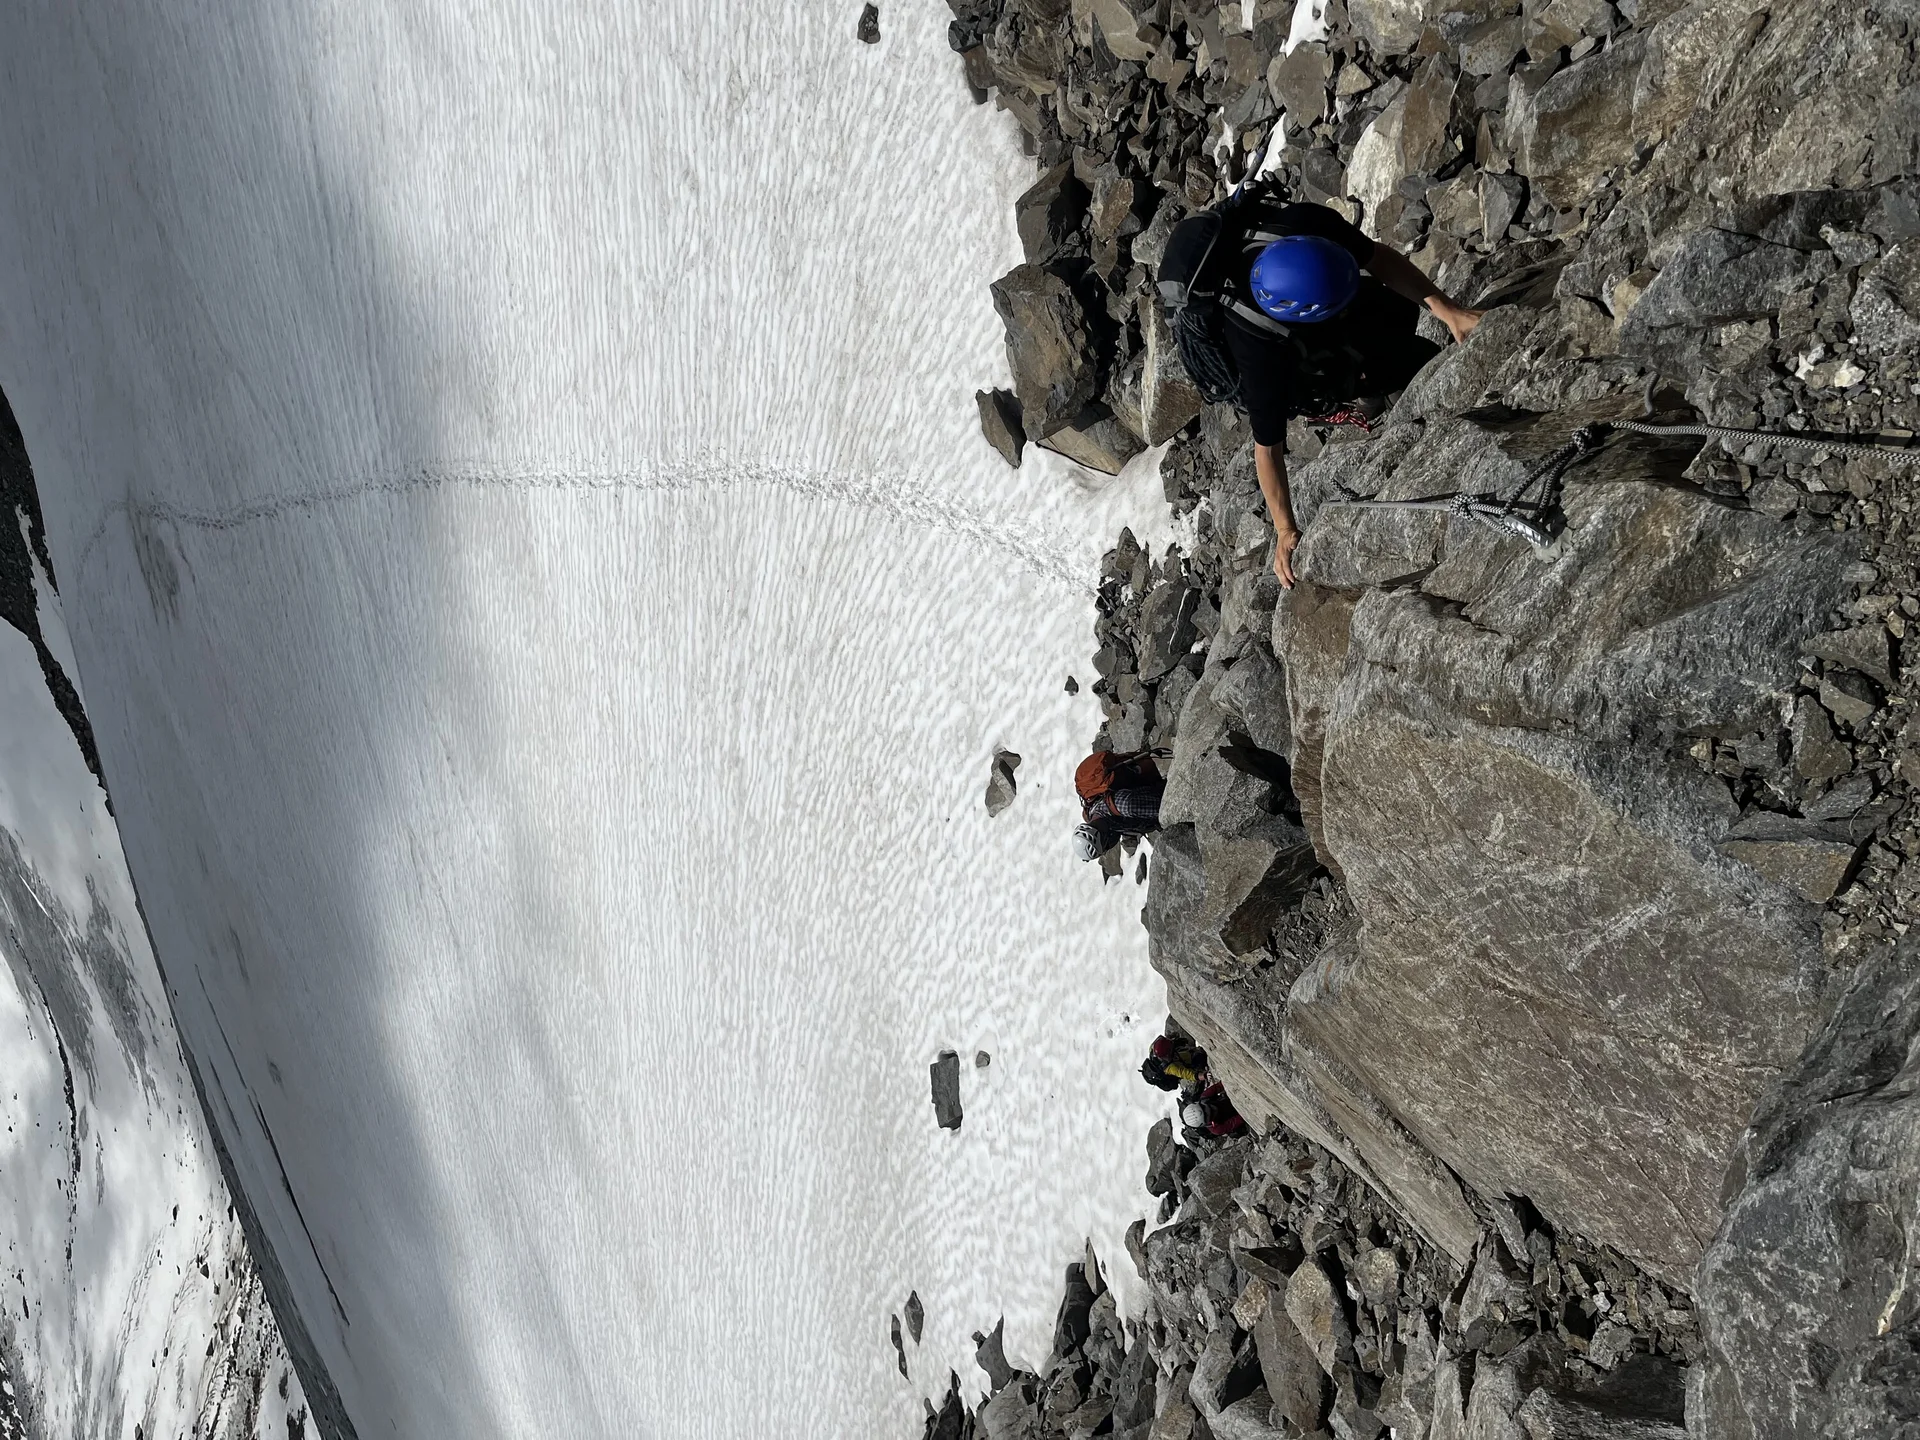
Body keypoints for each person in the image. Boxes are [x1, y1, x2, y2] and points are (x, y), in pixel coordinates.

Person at [1205, 194, 1483, 589]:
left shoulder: (1305, 221)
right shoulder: (1259, 355)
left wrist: (1448, 310)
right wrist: (1285, 530)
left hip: (1327, 294)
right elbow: (1267, 450)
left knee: (1399, 311)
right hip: (1302, 355)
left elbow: (1379, 259)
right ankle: (1366, 391)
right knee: (1405, 359)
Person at [1073, 748, 1166, 862]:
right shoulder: (1092, 814)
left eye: (1105, 846)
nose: (1109, 847)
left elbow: (1166, 808)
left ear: (1102, 837)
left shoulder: (1126, 805)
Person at [1139, 1031, 1209, 1091]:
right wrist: (1203, 1075)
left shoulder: (1152, 1049)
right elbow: (1186, 1073)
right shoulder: (1171, 1068)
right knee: (1199, 1057)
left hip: (1172, 1059)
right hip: (1174, 1073)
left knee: (1184, 1052)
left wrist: (1173, 1039)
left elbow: (1164, 1040)